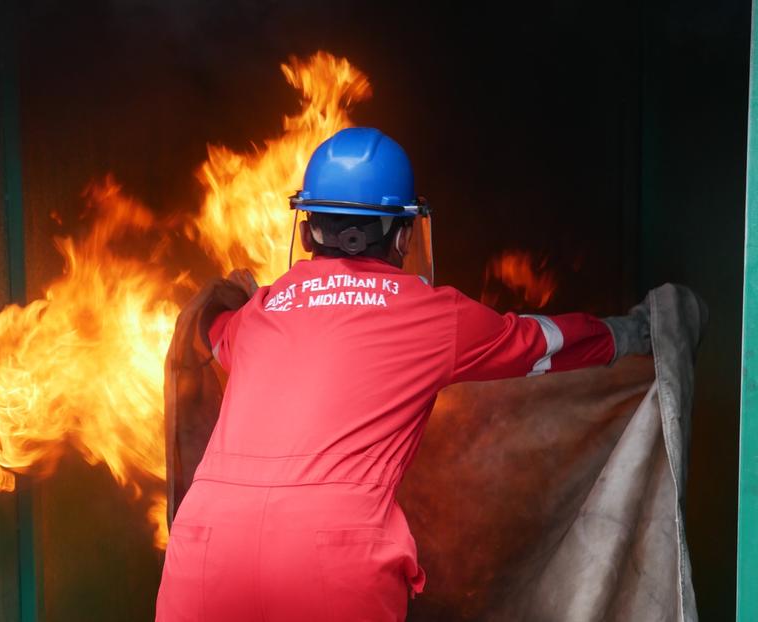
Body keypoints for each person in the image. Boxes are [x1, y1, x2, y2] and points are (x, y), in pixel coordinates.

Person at [155, 127, 651, 621]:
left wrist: (215, 310)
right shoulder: (433, 315)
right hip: (331, 558)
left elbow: (209, 334)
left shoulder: (260, 312)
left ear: (305, 231)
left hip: (203, 548)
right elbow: (541, 343)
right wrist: (631, 334)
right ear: (404, 233)